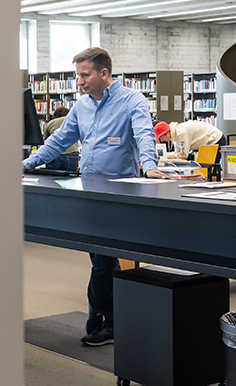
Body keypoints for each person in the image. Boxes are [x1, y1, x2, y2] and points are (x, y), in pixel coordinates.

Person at [22, 47, 165, 347]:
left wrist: (150, 167)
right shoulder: (81, 107)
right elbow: (58, 141)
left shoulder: (131, 101)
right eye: (77, 76)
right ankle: (108, 320)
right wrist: (24, 165)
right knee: (102, 259)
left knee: (103, 260)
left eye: (85, 75)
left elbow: (144, 134)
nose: (80, 82)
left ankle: (99, 317)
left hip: (117, 195)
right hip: (88, 191)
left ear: (103, 73)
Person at [154, 120, 223, 160]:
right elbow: (177, 154)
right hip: (208, 143)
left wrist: (165, 156)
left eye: (161, 137)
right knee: (204, 169)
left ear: (167, 133)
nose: (162, 140)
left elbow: (183, 155)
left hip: (215, 139)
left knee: (209, 169)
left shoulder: (182, 133)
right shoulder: (175, 135)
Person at [41, 106, 80, 171]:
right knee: (72, 178)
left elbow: (45, 141)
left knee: (51, 178)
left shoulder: (51, 123)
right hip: (72, 154)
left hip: (55, 154)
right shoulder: (74, 122)